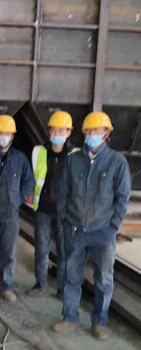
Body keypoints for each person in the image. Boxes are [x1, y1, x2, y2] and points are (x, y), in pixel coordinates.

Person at [52, 112, 130, 340]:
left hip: (103, 232)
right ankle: (69, 318)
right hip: (75, 230)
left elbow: (122, 198)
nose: (91, 134)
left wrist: (112, 227)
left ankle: (100, 322)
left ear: (106, 133)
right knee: (71, 277)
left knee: (104, 280)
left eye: (96, 130)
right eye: (88, 130)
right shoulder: (73, 160)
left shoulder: (117, 162)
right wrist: (65, 220)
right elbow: (63, 193)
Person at [0, 115, 34, 303]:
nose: (4, 137)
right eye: (1, 133)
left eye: (8, 133)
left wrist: (19, 198)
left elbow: (29, 181)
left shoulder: (19, 158)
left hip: (10, 215)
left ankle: (6, 285)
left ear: (12, 136)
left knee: (9, 252)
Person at [27, 111, 76, 298]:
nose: (56, 134)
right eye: (54, 130)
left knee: (64, 251)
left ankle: (62, 288)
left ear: (68, 132)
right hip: (43, 209)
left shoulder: (75, 155)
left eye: (61, 130)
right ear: (49, 131)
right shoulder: (39, 152)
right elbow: (32, 177)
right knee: (41, 248)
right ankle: (40, 284)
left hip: (65, 212)